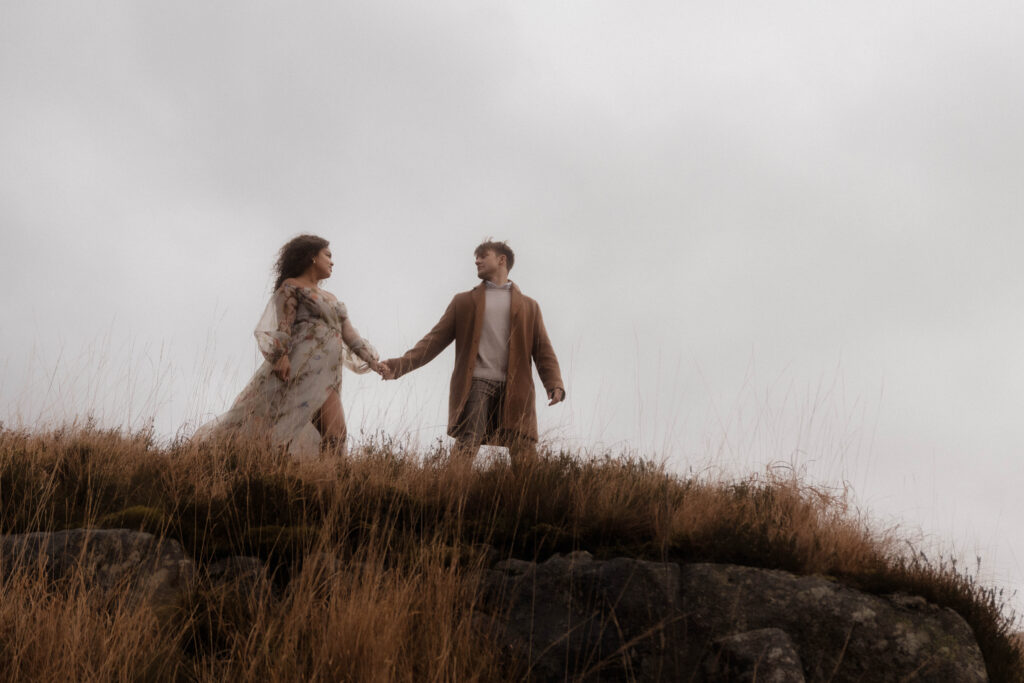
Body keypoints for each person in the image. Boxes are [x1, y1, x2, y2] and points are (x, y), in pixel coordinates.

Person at [379, 240, 565, 470]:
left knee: (524, 449)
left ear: (501, 260)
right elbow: (433, 341)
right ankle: (449, 497)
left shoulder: (530, 306)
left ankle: (531, 503)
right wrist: (398, 366)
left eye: (482, 256)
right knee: (468, 442)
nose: (476, 261)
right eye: (475, 258)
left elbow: (543, 349)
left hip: (517, 387)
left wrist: (554, 383)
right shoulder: (464, 302)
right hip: (476, 382)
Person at [195, 234, 380, 458]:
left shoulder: (332, 298)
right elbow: (284, 324)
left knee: (336, 434)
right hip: (299, 368)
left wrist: (373, 361)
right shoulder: (292, 286)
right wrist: (281, 356)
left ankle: (328, 487)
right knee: (280, 428)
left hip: (328, 376)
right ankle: (252, 468)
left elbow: (350, 334)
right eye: (328, 255)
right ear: (312, 256)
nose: (332, 262)